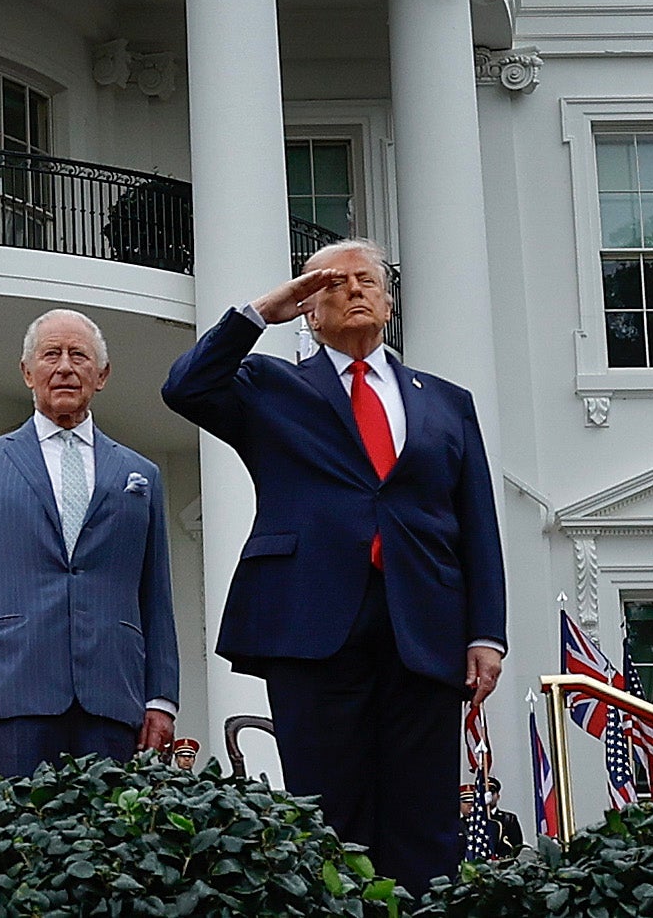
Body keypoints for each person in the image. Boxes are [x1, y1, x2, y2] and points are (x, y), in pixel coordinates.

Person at [162, 240, 506, 893]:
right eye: (331, 283)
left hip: (425, 624)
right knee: (326, 815)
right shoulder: (272, 387)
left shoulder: (444, 401)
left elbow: (476, 520)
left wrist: (484, 631)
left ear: (388, 301)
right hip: (311, 620)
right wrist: (263, 311)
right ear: (309, 311)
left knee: (424, 819)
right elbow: (185, 385)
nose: (351, 289)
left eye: (364, 279)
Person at [0, 309, 181, 780]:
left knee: (108, 843)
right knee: (17, 841)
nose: (65, 367)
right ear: (28, 372)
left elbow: (156, 594)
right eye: (51, 355)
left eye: (79, 356)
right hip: (10, 687)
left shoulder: (141, 474)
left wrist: (160, 697)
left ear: (102, 375)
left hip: (113, 693)